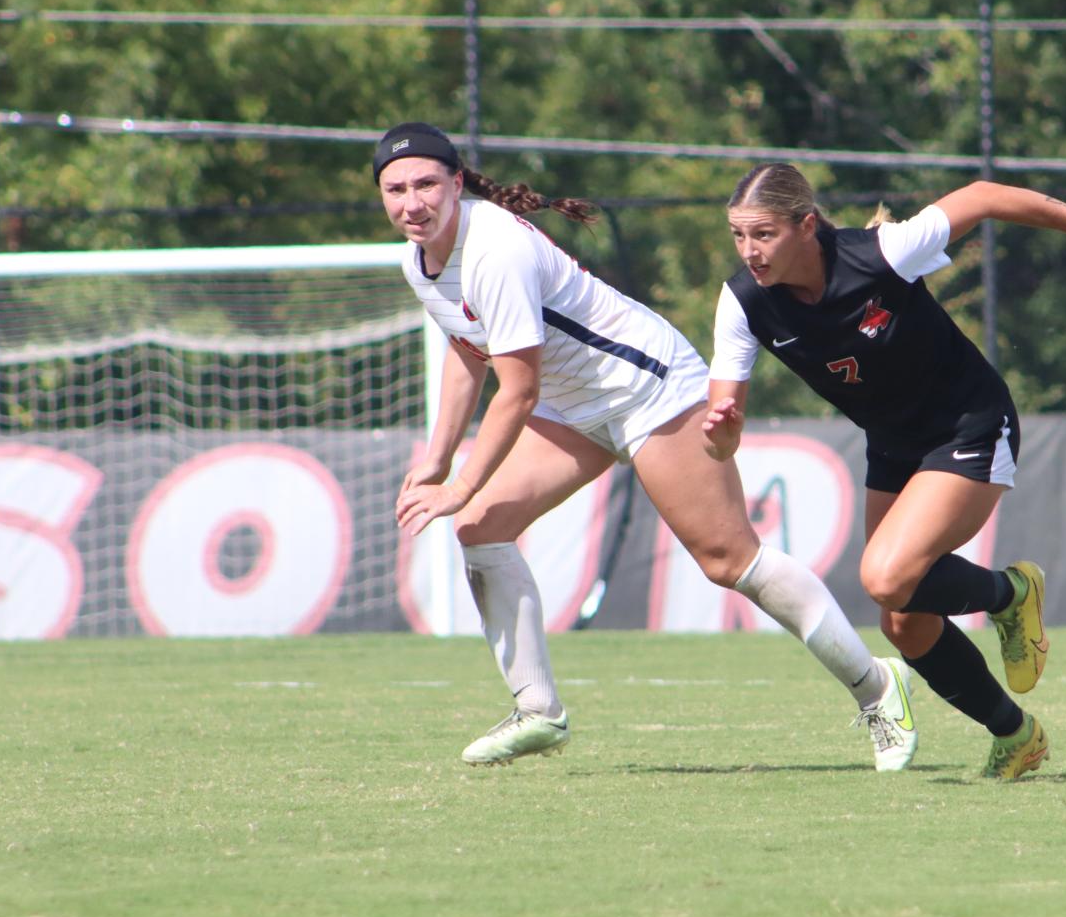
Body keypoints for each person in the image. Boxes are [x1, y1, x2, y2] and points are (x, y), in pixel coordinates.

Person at [376, 123, 919, 769]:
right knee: (480, 528)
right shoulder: (419, 260)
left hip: (648, 389)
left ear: (457, 183)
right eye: (396, 188)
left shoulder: (492, 248)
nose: (412, 202)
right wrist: (435, 463)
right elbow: (469, 355)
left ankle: (876, 688)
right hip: (574, 405)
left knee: (728, 561)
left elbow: (514, 391)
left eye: (426, 184)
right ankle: (537, 711)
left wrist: (459, 480)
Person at [703, 163, 1066, 780]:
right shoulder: (743, 302)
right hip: (894, 444)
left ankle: (1012, 594)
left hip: (968, 425)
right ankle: (1016, 734)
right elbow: (723, 426)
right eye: (739, 235)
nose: (750, 251)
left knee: (885, 575)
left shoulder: (883, 254)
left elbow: (981, 196)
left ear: (806, 225)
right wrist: (723, 438)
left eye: (763, 234)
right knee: (902, 619)